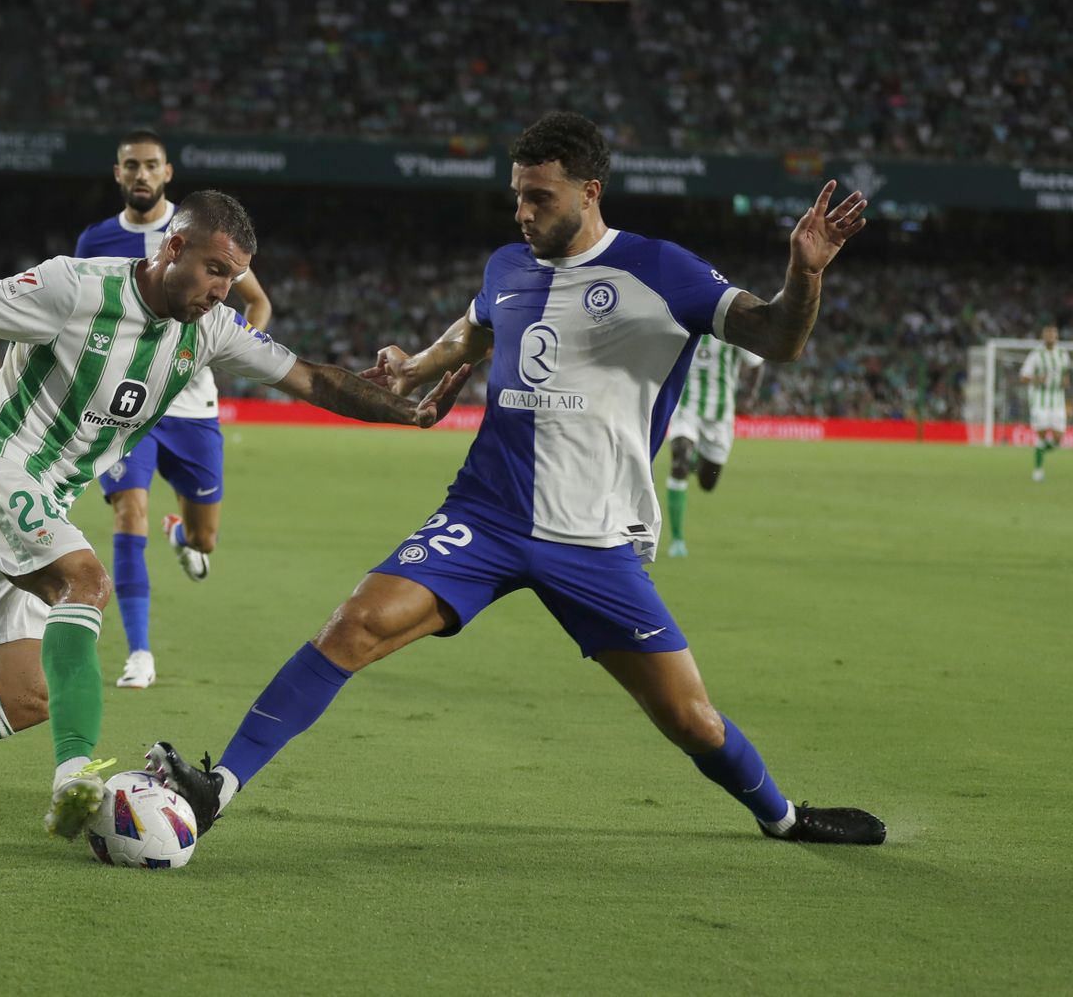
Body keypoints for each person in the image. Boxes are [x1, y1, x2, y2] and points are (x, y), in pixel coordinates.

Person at [148, 112, 886, 848]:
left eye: (540, 198)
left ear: (590, 192)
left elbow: (778, 338)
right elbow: (473, 329)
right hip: (486, 514)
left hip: (593, 538)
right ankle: (220, 789)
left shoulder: (664, 271)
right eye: (518, 196)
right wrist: (415, 367)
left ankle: (784, 818)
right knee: (354, 625)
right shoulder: (508, 265)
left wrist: (805, 272)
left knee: (689, 719)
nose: (522, 212)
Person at [0, 190, 470, 837]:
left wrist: (408, 411)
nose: (223, 290)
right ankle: (74, 779)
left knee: (26, 697)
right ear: (174, 246)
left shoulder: (211, 329)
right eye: (216, 270)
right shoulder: (76, 285)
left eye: (235, 278)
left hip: (42, 494)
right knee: (84, 583)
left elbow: (314, 378)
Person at [74, 130, 276, 690]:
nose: (141, 174)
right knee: (126, 514)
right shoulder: (95, 241)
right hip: (124, 404)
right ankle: (139, 652)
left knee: (206, 538)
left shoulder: (198, 236)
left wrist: (228, 353)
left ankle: (183, 536)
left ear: (168, 173)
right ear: (118, 174)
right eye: (131, 166)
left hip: (191, 404)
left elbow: (256, 302)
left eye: (151, 165)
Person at [664, 334, 764, 556]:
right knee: (678, 460)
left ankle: (694, 458)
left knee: (707, 483)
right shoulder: (686, 321)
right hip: (686, 407)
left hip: (720, 417)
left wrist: (750, 395)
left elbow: (757, 363)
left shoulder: (731, 327)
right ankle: (677, 540)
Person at [1019, 322, 1067, 482]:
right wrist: (1037, 379)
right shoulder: (1035, 355)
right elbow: (1023, 377)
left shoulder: (1063, 354)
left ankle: (1039, 451)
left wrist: (1065, 382)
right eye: (1047, 333)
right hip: (1039, 401)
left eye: (1053, 333)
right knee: (1041, 435)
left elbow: (1065, 375)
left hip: (1058, 401)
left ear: (1057, 335)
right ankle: (1038, 470)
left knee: (1058, 438)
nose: (1050, 336)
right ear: (1043, 336)